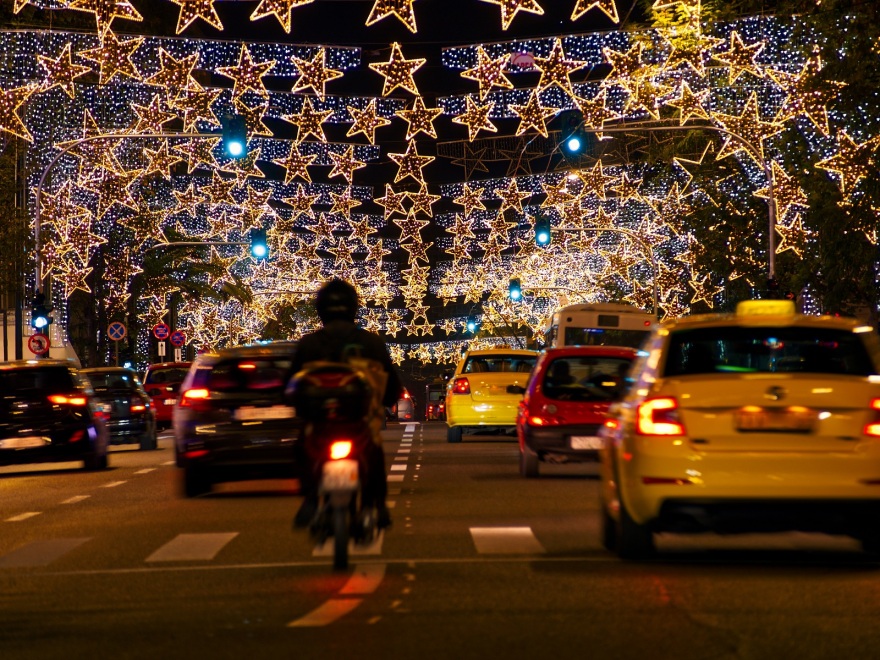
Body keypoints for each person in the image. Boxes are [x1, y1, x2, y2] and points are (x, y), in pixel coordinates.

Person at [290, 278, 402, 529]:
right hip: (359, 423)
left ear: (320, 309)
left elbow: (290, 386)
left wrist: (297, 405)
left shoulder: (309, 344)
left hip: (319, 425)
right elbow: (391, 385)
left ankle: (310, 499)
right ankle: (377, 505)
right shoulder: (371, 343)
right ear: (354, 307)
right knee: (373, 452)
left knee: (301, 448)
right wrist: (386, 400)